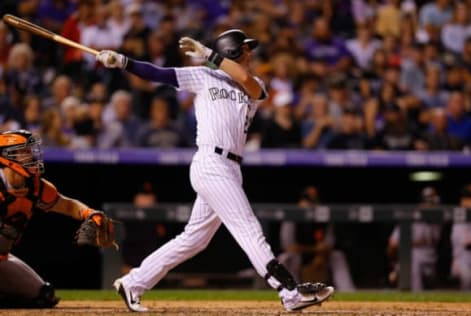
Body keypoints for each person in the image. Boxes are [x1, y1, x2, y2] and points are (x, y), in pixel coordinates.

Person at [96, 29, 334, 312]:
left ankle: (133, 282)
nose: (251, 53)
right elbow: (158, 74)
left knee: (194, 240)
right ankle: (289, 291)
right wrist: (123, 62)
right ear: (233, 51)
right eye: (246, 48)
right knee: (248, 228)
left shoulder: (253, 83)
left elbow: (248, 82)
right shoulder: (202, 76)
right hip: (211, 162)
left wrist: (210, 55)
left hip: (231, 168)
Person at [0, 129, 114, 308]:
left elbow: (67, 205)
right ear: (6, 156)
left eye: (30, 151)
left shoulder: (35, 187)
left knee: (43, 296)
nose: (30, 156)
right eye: (23, 151)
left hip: (1, 258)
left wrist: (89, 213)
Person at [386, 186, 443, 291]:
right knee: (412, 264)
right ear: (421, 203)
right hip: (413, 260)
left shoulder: (438, 219)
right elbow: (393, 244)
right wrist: (394, 264)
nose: (431, 206)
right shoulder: (411, 217)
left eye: (432, 203)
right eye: (428, 203)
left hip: (431, 260)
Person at [450, 183, 471, 290]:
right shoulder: (460, 216)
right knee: (468, 277)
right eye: (467, 198)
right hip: (464, 258)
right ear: (462, 200)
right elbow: (465, 243)